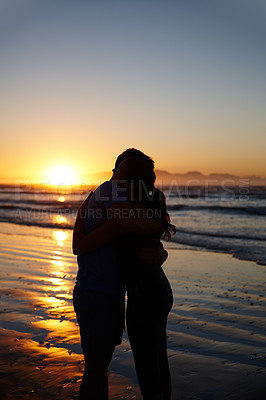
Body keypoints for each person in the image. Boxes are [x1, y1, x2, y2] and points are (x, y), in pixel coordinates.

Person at [73, 152, 175, 399]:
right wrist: (160, 231)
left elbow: (128, 228)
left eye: (118, 170)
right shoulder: (118, 197)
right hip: (112, 293)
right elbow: (83, 244)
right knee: (149, 366)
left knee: (146, 368)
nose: (112, 174)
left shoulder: (125, 201)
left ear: (132, 180)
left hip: (129, 294)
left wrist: (160, 246)